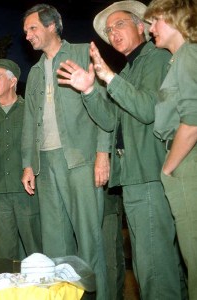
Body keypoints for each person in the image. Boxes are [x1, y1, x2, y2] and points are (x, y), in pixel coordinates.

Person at [57, 1, 187, 298]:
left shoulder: (155, 59)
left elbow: (146, 109)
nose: (112, 33)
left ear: (141, 25)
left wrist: (109, 78)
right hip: (135, 176)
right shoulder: (130, 68)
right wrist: (89, 90)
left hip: (149, 174)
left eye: (119, 25)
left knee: (154, 268)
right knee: (159, 266)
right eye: (108, 30)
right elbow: (109, 120)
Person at [21, 4, 111, 299]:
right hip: (45, 164)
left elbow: (106, 110)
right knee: (55, 245)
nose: (27, 35)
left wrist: (102, 153)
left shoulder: (83, 53)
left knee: (90, 242)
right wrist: (27, 165)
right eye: (25, 31)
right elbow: (28, 123)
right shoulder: (34, 72)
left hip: (80, 160)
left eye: (32, 28)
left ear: (51, 26)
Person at [144, 1, 197, 298]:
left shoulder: (189, 53)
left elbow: (192, 122)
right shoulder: (178, 59)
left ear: (176, 18)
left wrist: (169, 168)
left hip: (186, 163)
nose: (151, 29)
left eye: (155, 21)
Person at [0, 59, 42, 260]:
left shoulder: (29, 110)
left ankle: (39, 289)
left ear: (13, 81)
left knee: (35, 248)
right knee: (5, 254)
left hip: (27, 192)